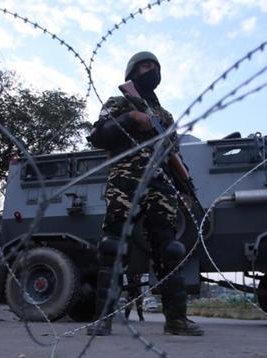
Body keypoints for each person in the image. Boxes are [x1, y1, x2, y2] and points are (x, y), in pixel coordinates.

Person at [86, 51, 203, 336]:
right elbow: (99, 136)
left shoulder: (166, 117)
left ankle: (176, 320)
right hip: (127, 177)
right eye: (144, 66)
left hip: (160, 183)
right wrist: (131, 118)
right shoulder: (119, 102)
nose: (150, 70)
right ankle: (104, 319)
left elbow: (173, 153)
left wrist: (184, 185)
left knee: (170, 248)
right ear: (132, 73)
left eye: (154, 66)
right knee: (114, 245)